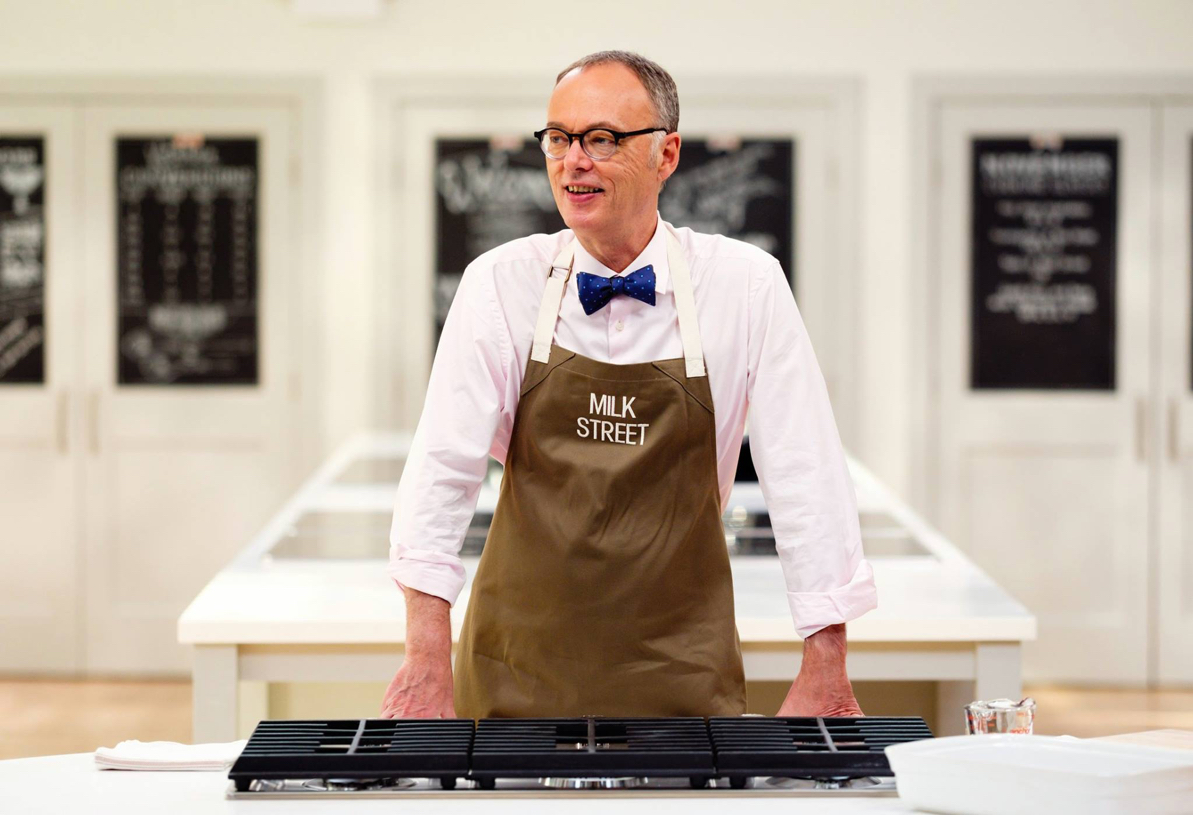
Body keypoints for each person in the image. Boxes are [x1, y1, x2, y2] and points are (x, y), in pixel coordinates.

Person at [381, 50, 876, 720]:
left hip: (682, 665)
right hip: (513, 664)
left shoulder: (743, 284)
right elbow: (441, 468)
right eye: (558, 138)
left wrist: (826, 659)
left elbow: (805, 473)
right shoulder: (498, 282)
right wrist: (425, 652)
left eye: (602, 139)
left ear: (665, 155)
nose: (572, 160)